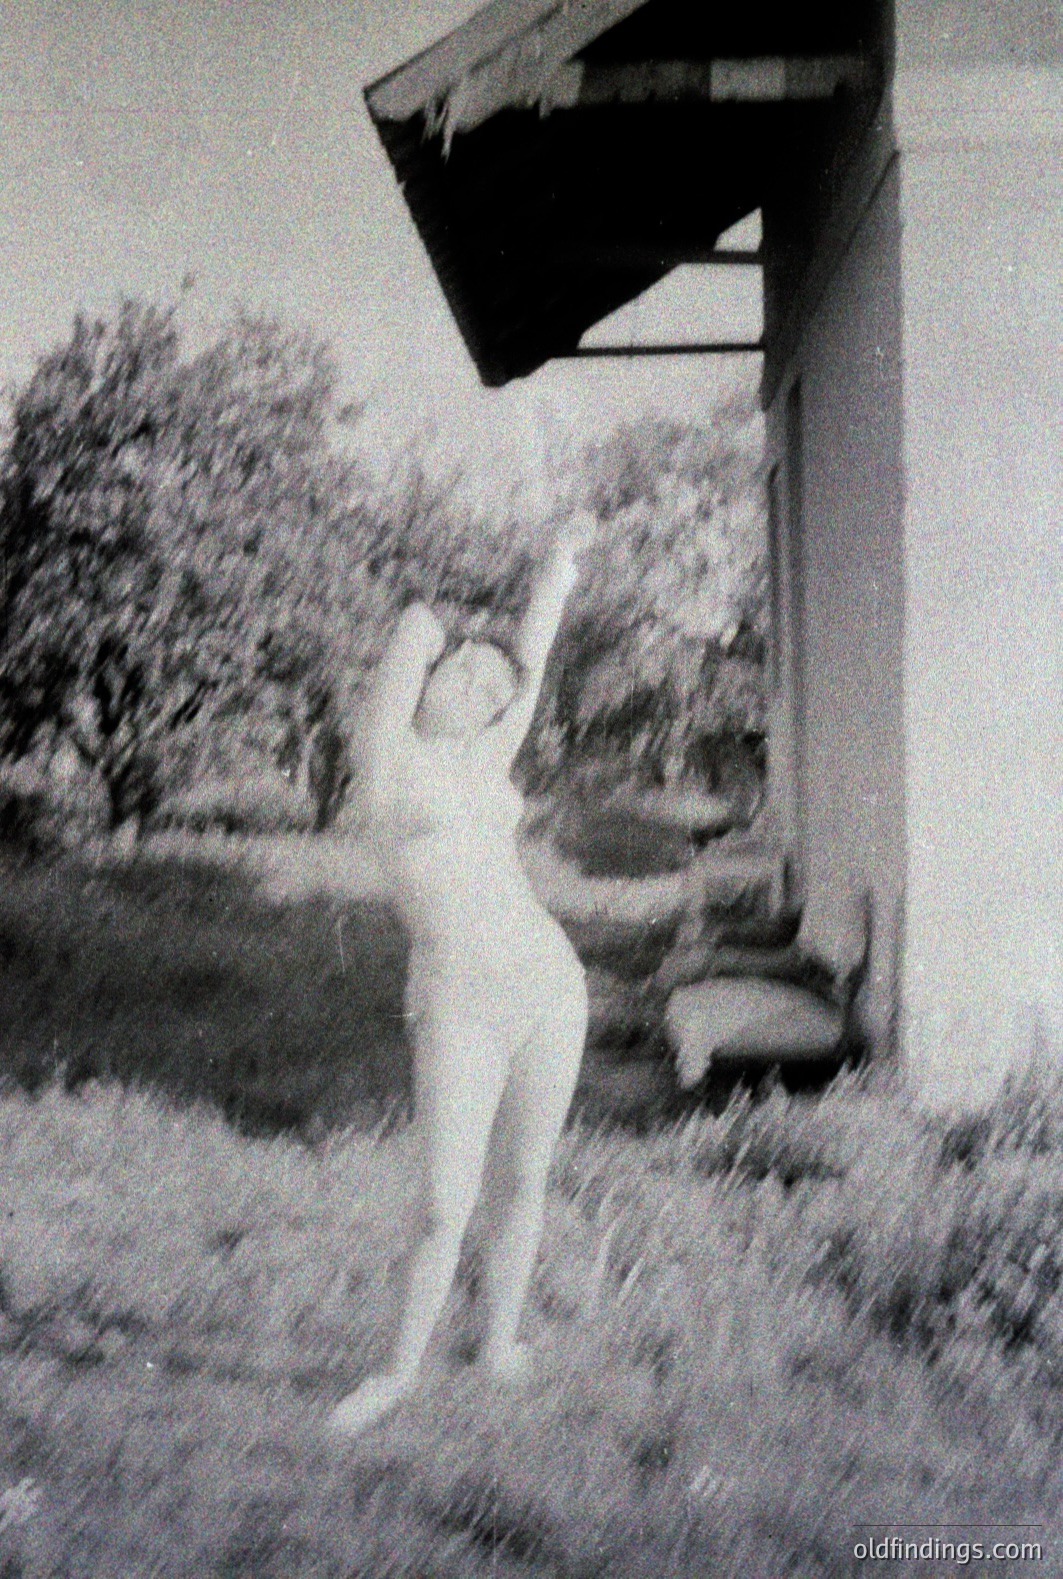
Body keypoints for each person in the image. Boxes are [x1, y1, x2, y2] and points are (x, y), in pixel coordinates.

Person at [327, 519, 594, 1437]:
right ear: (431, 680)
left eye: (491, 688)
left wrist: (553, 567)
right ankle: (397, 1372)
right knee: (445, 1200)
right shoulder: (386, 759)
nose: (481, 688)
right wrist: (434, 620)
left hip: (548, 986)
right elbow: (408, 637)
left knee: (525, 1176)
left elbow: (533, 656)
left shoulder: (485, 755)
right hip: (458, 1001)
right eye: (463, 671)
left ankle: (497, 1342)